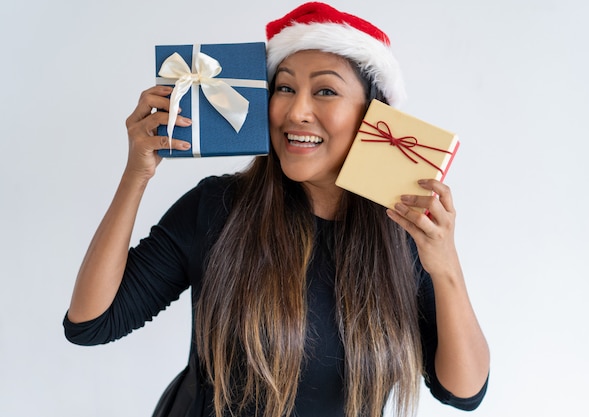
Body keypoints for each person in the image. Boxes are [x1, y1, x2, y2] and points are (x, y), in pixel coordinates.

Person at [63, 2, 490, 417]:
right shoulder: (217, 209)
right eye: (284, 87)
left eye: (325, 90)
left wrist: (445, 265)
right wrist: (136, 174)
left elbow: (464, 391)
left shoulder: (403, 231)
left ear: (373, 115)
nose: (296, 111)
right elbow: (91, 323)